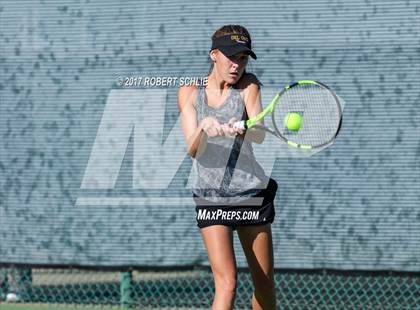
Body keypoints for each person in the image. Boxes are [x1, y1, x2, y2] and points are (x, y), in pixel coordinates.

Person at [178, 25, 278, 309]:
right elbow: (194, 150)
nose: (237, 65)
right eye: (231, 57)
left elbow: (258, 133)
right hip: (211, 195)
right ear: (214, 55)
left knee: (264, 285)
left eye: (243, 58)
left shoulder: (249, 85)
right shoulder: (189, 91)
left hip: (250, 194)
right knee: (227, 283)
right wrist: (204, 128)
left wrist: (243, 128)